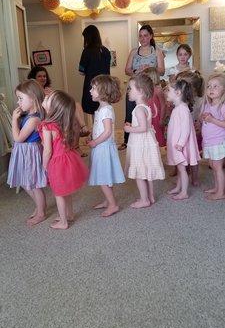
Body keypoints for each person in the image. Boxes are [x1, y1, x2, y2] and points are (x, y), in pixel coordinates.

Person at [39, 90, 89, 230]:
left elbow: (48, 150)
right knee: (65, 191)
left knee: (59, 193)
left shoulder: (46, 125)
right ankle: (69, 214)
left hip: (57, 162)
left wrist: (44, 166)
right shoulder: (62, 122)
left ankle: (63, 221)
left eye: (49, 98)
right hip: (68, 158)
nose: (46, 97)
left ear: (53, 107)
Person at [7, 79, 47, 225]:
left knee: (33, 184)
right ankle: (40, 205)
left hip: (29, 153)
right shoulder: (29, 116)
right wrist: (17, 121)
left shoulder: (33, 120)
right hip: (24, 152)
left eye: (21, 98)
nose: (18, 102)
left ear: (33, 98)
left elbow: (18, 138)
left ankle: (41, 212)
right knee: (26, 183)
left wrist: (13, 120)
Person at [119, 24, 165, 150]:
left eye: (145, 35)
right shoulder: (134, 51)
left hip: (150, 87)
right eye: (140, 36)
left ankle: (151, 139)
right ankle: (127, 140)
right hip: (134, 86)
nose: (143, 38)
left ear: (151, 36)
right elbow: (126, 70)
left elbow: (162, 71)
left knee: (149, 113)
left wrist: (149, 68)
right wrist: (135, 71)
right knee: (130, 113)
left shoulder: (157, 51)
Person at [28, 66, 89, 156]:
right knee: (74, 108)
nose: (43, 78)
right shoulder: (32, 91)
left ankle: (80, 134)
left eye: (44, 76)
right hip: (44, 113)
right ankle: (83, 129)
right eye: (39, 76)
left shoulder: (48, 89)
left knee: (76, 105)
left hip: (54, 111)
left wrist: (52, 94)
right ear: (34, 78)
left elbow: (57, 102)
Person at [124, 74, 165, 208]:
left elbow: (143, 127)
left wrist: (129, 129)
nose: (128, 91)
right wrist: (133, 127)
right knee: (146, 171)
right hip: (145, 142)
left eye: (130, 88)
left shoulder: (138, 109)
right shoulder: (146, 107)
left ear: (140, 91)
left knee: (140, 173)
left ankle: (144, 200)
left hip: (140, 144)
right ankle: (150, 196)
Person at [88, 75, 125, 217]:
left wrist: (96, 141)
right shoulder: (102, 108)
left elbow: (108, 131)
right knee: (104, 176)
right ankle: (107, 200)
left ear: (103, 91)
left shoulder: (106, 110)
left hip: (103, 147)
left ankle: (113, 205)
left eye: (93, 88)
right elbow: (100, 128)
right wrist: (93, 136)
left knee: (103, 178)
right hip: (101, 146)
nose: (90, 91)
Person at [166, 79, 200, 200]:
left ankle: (184, 192)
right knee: (180, 168)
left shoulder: (183, 109)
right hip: (176, 144)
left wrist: (180, 144)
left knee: (182, 168)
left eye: (169, 90)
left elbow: (185, 129)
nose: (166, 92)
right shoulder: (177, 108)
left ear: (178, 92)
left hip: (179, 145)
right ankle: (178, 187)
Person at [175, 70, 205, 185]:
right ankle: (184, 174)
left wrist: (200, 125)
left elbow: (202, 116)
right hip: (182, 133)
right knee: (183, 154)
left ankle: (195, 178)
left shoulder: (200, 101)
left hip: (194, 133)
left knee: (194, 156)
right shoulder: (181, 100)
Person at [201, 73, 225, 200]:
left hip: (218, 142)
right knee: (213, 165)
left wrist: (212, 120)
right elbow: (206, 120)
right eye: (209, 86)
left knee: (218, 167)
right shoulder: (207, 105)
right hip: (209, 141)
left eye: (216, 86)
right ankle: (217, 187)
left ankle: (221, 192)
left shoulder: (222, 106)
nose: (211, 89)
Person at [79, 25, 111, 117]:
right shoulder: (106, 51)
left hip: (92, 86)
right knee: (105, 111)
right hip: (105, 86)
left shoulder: (86, 51)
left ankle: (98, 131)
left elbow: (81, 71)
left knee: (95, 114)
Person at [147, 68, 167, 147]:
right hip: (149, 117)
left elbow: (163, 105)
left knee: (157, 136)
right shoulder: (146, 90)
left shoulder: (158, 90)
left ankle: (158, 154)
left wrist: (162, 119)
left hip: (157, 118)